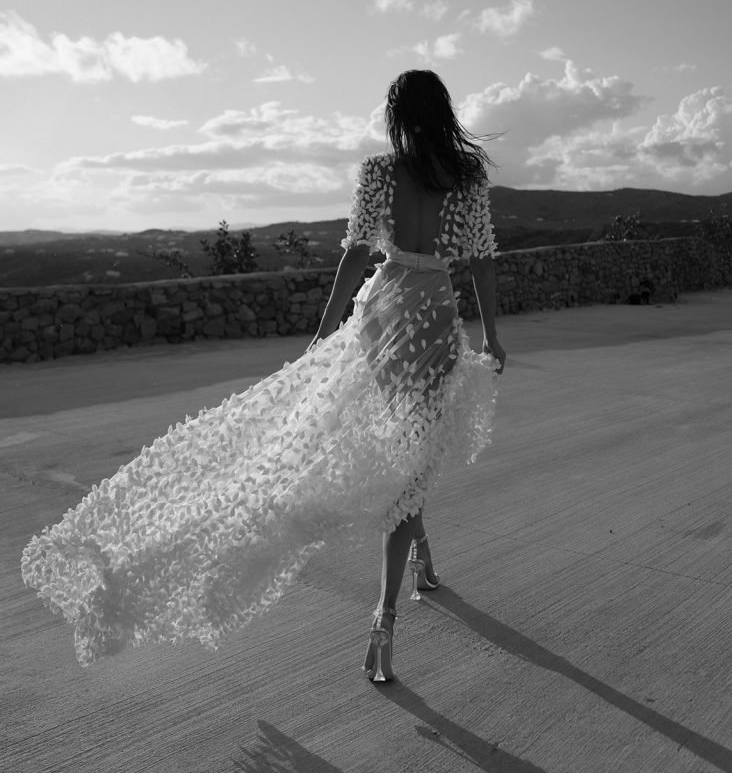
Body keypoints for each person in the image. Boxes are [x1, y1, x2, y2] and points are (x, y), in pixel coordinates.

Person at [21, 69, 505, 679]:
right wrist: (491, 333)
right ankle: (384, 616)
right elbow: (483, 261)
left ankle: (421, 562)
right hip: (433, 312)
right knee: (413, 453)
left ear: (398, 116)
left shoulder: (381, 172)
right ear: (442, 112)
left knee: (403, 450)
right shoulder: (465, 178)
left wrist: (327, 329)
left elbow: (359, 252)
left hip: (384, 312)